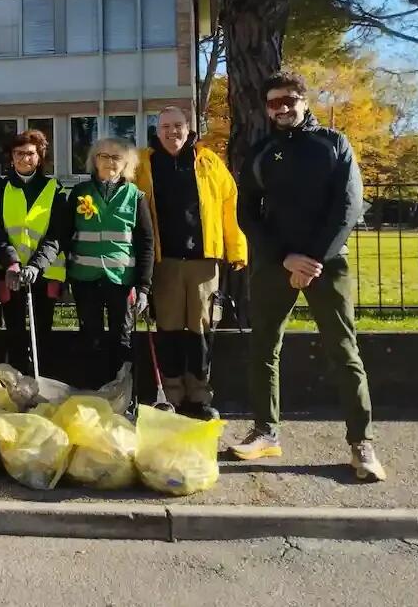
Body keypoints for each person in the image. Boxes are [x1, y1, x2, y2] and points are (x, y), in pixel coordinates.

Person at [233, 70, 386, 482]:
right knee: (263, 347)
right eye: (273, 102)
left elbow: (349, 206)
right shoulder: (261, 151)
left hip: (327, 262)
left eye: (288, 100)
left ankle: (361, 443)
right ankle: (266, 432)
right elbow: (246, 212)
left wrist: (313, 259)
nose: (281, 108)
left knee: (343, 350)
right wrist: (285, 259)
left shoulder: (334, 144)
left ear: (304, 100)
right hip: (274, 263)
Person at [134, 107, 248, 420]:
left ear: (189, 128)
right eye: (166, 126)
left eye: (178, 126)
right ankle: (170, 394)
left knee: (201, 329)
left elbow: (230, 205)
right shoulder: (142, 164)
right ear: (157, 131)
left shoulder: (209, 161)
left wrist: (236, 248)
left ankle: (200, 395)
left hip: (203, 260)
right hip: (164, 261)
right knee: (168, 328)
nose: (172, 132)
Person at [63, 137, 154, 388]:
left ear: (126, 163)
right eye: (104, 156)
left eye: (116, 157)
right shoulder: (80, 193)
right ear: (94, 160)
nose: (109, 162)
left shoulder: (136, 196)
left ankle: (120, 392)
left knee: (121, 338)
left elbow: (146, 243)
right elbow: (64, 235)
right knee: (89, 337)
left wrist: (144, 287)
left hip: (121, 281)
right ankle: (91, 391)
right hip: (85, 279)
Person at [0, 130, 66, 375]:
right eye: (19, 153)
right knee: (15, 329)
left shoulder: (54, 188)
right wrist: (12, 262)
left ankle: (43, 380)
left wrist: (35, 266)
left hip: (46, 271)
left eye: (30, 154)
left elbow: (57, 234)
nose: (24, 158)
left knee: (42, 331)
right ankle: (17, 380)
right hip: (10, 272)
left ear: (39, 157)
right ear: (11, 157)